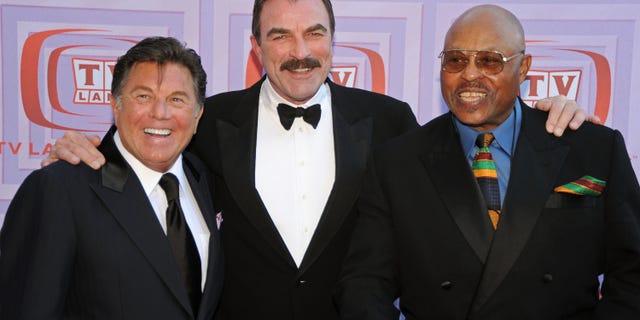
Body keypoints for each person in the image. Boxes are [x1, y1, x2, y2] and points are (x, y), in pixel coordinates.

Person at [39, 1, 592, 319]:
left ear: (333, 40)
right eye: (280, 35)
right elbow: (145, 149)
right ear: (256, 45)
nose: (299, 50)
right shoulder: (211, 121)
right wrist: (83, 147)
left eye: (314, 32)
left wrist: (545, 111)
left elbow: (471, 164)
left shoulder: (390, 120)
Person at [334, 4, 640, 320]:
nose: (469, 74)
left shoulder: (593, 148)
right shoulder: (396, 162)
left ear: (523, 69)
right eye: (456, 60)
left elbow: (633, 273)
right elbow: (364, 283)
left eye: (489, 61)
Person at [0, 37, 223, 320]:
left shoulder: (202, 178)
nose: (160, 113)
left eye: (176, 99)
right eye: (143, 96)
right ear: (115, 106)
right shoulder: (59, 190)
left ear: (197, 115)